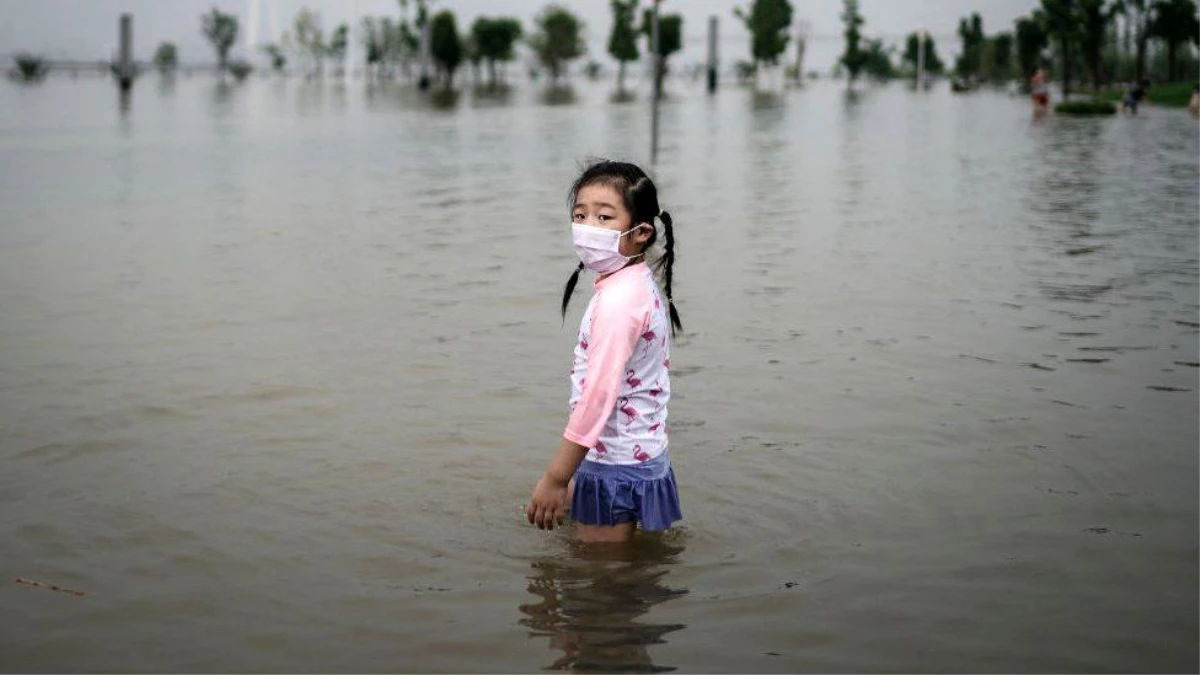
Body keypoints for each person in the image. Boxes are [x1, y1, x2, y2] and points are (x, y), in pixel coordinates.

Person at [526, 160, 683, 544]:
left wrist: (556, 478)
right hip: (643, 452)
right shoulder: (634, 284)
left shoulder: (618, 304)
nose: (587, 227)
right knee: (622, 571)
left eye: (604, 217)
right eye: (580, 215)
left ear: (641, 232)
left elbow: (597, 399)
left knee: (600, 588)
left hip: (616, 464)